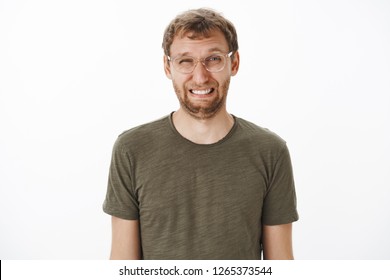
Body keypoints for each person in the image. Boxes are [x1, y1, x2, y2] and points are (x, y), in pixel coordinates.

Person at [103, 8, 298, 260]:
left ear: (234, 62)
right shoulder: (132, 149)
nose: (200, 76)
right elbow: (122, 267)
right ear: (167, 66)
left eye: (213, 59)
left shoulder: (270, 151)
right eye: (185, 61)